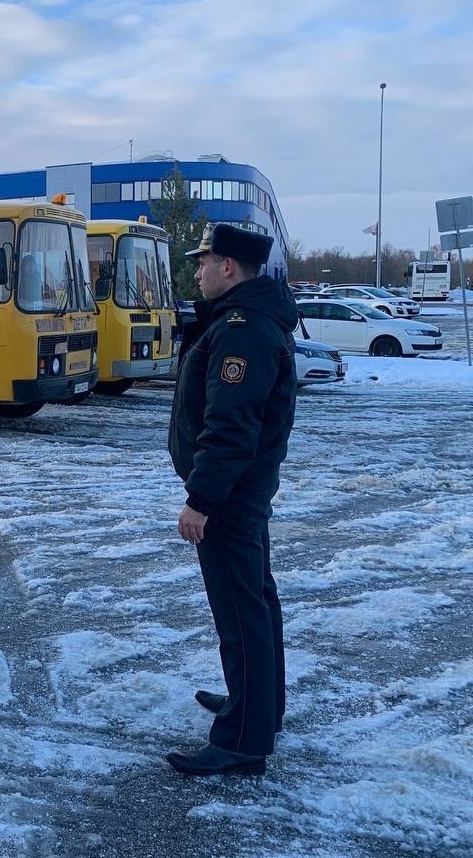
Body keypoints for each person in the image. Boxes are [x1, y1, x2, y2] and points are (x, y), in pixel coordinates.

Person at [165, 222, 298, 777]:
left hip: (230, 498)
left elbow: (232, 425)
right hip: (242, 492)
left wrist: (202, 500)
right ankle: (257, 707)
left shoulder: (241, 329)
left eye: (203, 262)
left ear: (228, 267)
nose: (196, 271)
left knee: (240, 611)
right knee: (255, 601)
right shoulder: (242, 319)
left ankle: (243, 738)